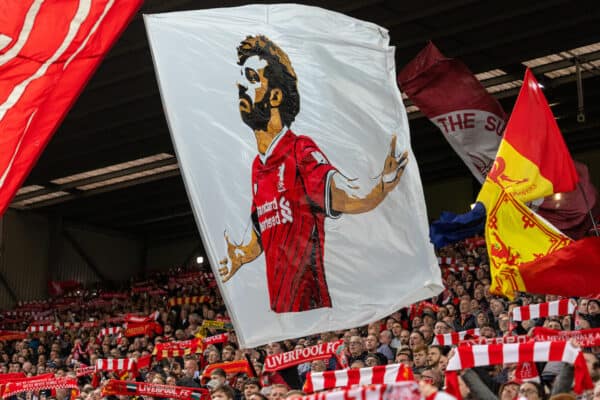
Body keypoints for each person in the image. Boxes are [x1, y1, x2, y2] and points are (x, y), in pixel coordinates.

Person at [218, 35, 409, 313]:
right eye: (241, 78)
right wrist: (243, 255)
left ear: (275, 96)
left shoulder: (300, 149)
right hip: (281, 314)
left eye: (251, 78)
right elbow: (263, 229)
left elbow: (348, 198)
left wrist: (382, 185)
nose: (241, 86)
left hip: (312, 310)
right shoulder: (258, 167)